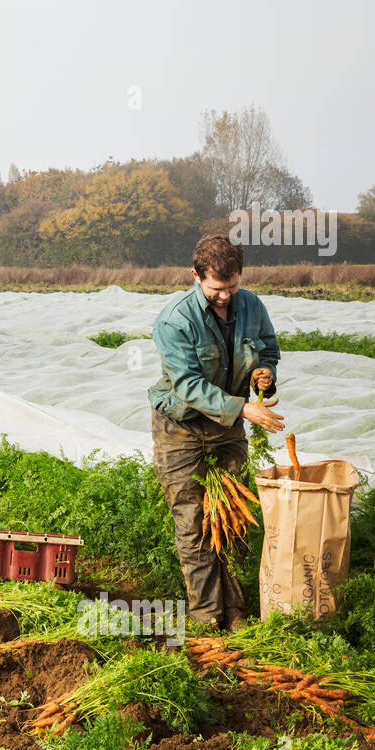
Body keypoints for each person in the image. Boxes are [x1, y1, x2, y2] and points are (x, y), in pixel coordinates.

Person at [148, 234, 285, 632]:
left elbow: (270, 351)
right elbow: (187, 384)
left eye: (232, 287)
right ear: (196, 276)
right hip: (181, 429)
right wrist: (243, 407)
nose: (225, 296)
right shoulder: (175, 319)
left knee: (233, 520)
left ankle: (238, 614)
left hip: (228, 428)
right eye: (215, 289)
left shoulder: (253, 306)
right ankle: (208, 620)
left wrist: (265, 375)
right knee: (193, 525)